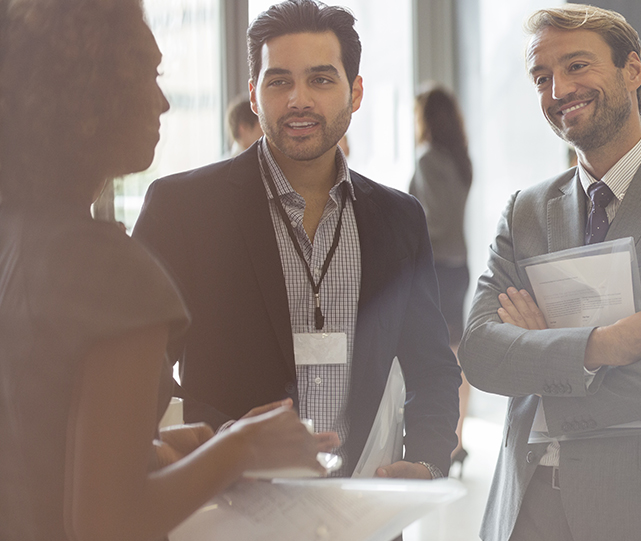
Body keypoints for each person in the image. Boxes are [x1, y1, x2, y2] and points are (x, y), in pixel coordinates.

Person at [0, 1, 338, 540]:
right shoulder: (111, 275)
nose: (161, 102)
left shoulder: (18, 242)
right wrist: (241, 447)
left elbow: (41, 451)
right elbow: (107, 525)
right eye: (149, 74)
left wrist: (160, 451)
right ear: (91, 88)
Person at [458, 5, 641, 540]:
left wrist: (541, 353)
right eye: (541, 77)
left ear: (633, 70)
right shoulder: (525, 210)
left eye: (577, 66)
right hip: (521, 508)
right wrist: (597, 347)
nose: (558, 90)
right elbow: (480, 352)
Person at [133, 0, 461, 480]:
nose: (298, 100)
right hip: (228, 503)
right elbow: (139, 374)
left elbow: (432, 367)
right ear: (253, 93)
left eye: (321, 79)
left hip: (362, 509)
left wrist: (428, 461)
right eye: (279, 80)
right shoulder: (183, 208)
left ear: (355, 92)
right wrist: (219, 440)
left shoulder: (399, 219)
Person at [408, 84, 473, 472]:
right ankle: (458, 440)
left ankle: (445, 442)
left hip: (435, 267)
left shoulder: (429, 158)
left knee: (435, 357)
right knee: (455, 352)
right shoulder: (460, 158)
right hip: (458, 265)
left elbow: (433, 220)